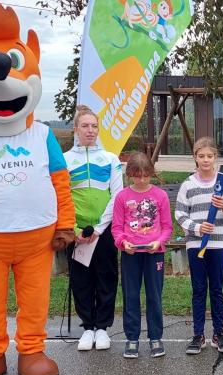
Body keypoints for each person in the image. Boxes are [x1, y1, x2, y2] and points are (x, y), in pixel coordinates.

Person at [175, 137, 223, 355]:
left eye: (210, 156)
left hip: (219, 243)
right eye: (201, 156)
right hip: (196, 245)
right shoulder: (188, 184)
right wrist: (197, 228)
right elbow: (180, 214)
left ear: (216, 158)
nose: (205, 160)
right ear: (195, 157)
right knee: (198, 290)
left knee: (217, 289)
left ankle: (219, 333)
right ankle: (197, 335)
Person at [64, 105, 123, 352]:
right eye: (85, 126)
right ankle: (88, 327)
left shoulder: (110, 159)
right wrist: (74, 228)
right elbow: (61, 196)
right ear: (76, 129)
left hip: (104, 230)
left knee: (106, 277)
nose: (90, 130)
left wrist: (99, 228)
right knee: (81, 280)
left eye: (94, 126)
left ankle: (102, 328)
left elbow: (117, 195)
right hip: (75, 231)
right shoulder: (64, 160)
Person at [111, 152, 173, 359]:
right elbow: (117, 228)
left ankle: (156, 337)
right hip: (130, 254)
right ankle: (132, 338)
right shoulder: (122, 197)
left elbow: (167, 227)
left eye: (146, 175)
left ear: (151, 174)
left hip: (154, 253)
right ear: (130, 174)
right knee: (131, 296)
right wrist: (122, 242)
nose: (142, 180)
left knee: (154, 296)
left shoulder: (161, 196)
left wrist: (159, 242)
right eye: (137, 176)